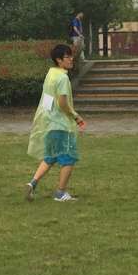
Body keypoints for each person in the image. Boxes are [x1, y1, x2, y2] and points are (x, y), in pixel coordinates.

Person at [26, 44, 86, 202]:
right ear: (59, 60)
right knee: (69, 158)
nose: (71, 59)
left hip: (49, 123)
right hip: (62, 125)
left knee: (50, 157)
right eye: (67, 57)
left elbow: (48, 100)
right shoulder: (62, 78)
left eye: (71, 56)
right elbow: (62, 103)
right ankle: (60, 193)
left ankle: (32, 183)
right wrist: (76, 117)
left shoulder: (51, 74)